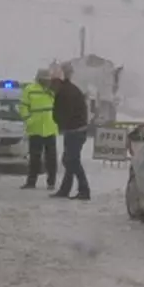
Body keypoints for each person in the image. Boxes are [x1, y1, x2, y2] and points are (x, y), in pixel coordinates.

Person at [48, 67, 90, 200]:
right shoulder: (68, 90)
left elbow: (65, 113)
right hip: (75, 130)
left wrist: (60, 123)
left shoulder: (66, 93)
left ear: (58, 81)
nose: (50, 86)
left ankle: (84, 189)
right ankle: (65, 189)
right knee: (69, 160)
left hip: (75, 130)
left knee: (72, 161)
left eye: (52, 83)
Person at [19, 69, 58, 190]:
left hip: (50, 128)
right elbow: (23, 106)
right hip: (35, 128)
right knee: (34, 158)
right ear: (39, 79)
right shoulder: (30, 89)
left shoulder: (52, 90)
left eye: (48, 80)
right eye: (44, 80)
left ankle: (51, 182)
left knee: (51, 158)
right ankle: (31, 182)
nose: (46, 82)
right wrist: (28, 120)